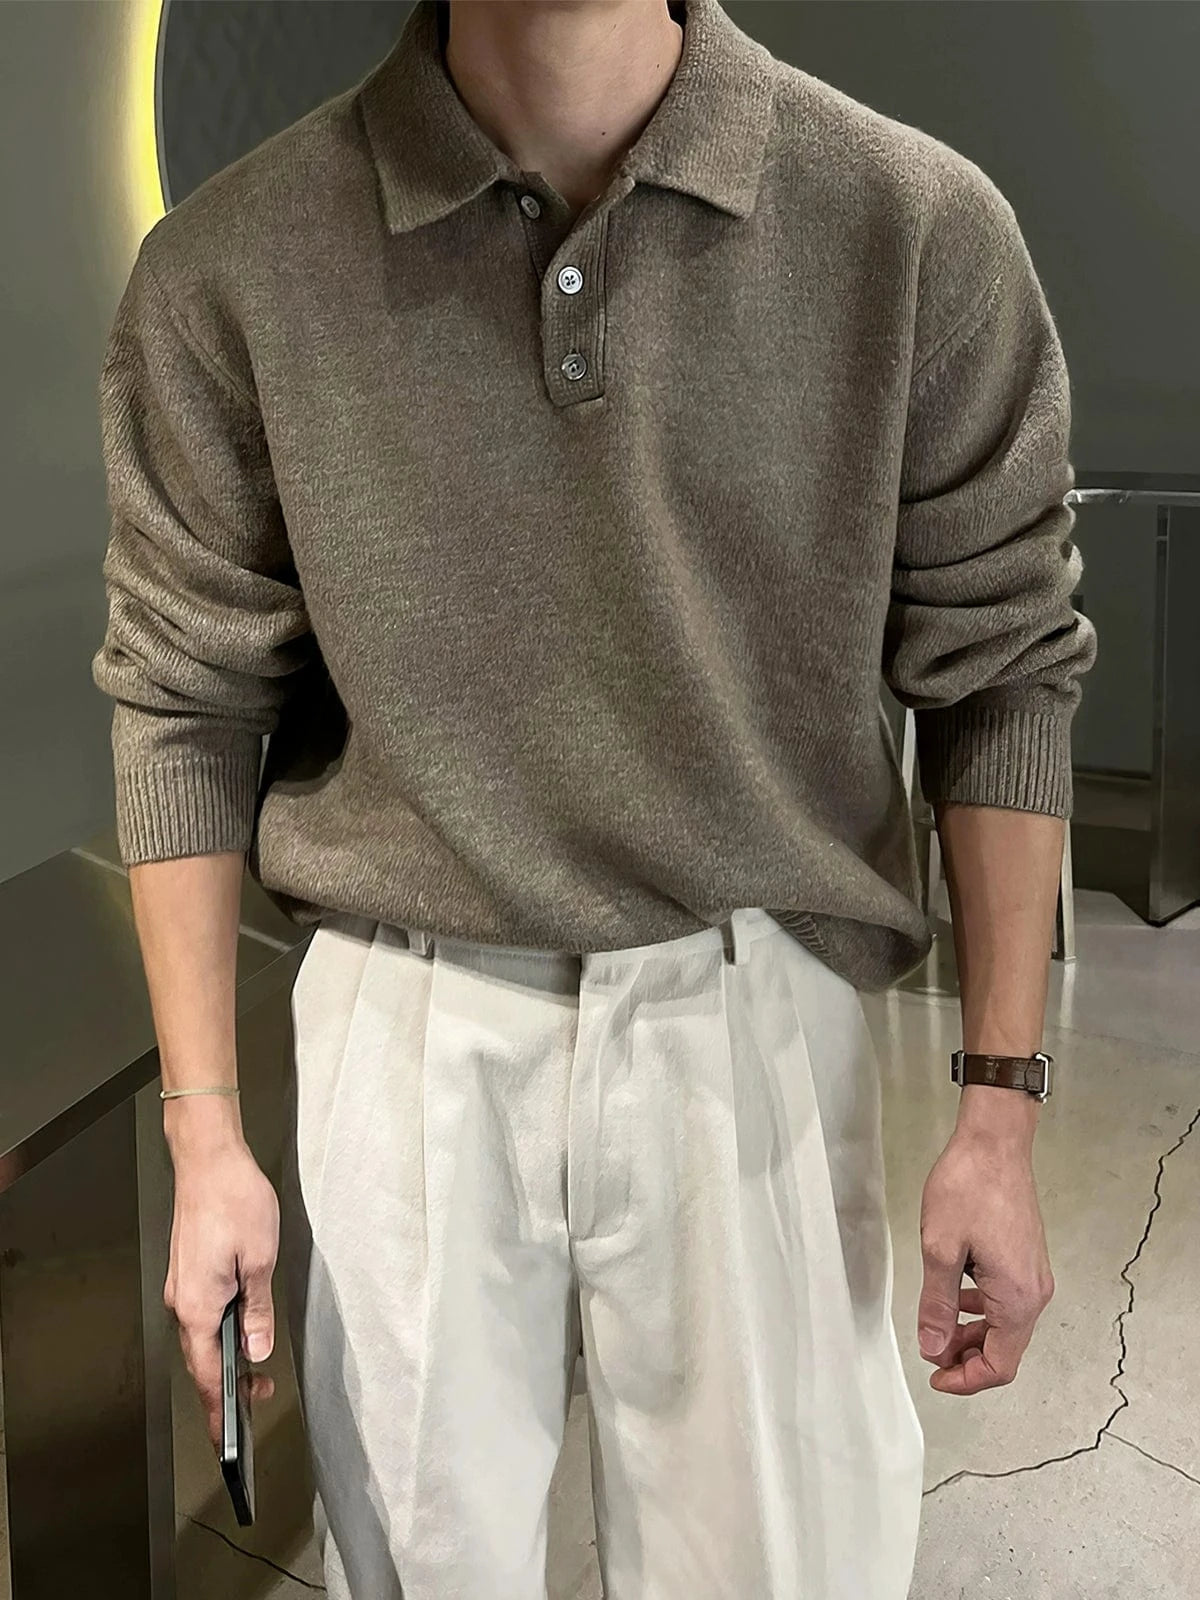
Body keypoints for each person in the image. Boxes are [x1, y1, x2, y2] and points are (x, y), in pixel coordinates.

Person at [90, 0, 1096, 1595]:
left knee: (780, 1570)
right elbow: (183, 700)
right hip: (402, 1020)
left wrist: (999, 1105)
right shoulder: (232, 267)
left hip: (755, 1004)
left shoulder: (910, 229)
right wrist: (206, 1134)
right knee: (420, 1568)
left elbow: (1006, 670)